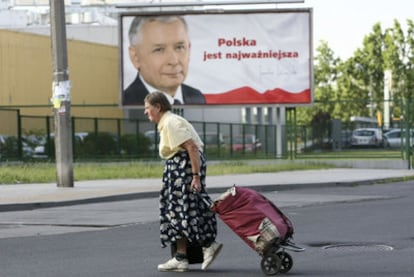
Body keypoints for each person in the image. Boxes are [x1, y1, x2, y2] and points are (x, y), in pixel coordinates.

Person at [144, 92, 222, 272]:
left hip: (183, 169)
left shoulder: (171, 122)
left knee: (179, 211)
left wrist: (195, 176)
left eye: (148, 108)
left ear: (158, 107)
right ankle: (183, 256)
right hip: (180, 168)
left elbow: (192, 147)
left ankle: (204, 246)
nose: (146, 112)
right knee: (187, 209)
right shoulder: (168, 122)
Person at [123, 16, 206, 106]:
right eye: (159, 50)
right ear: (135, 57)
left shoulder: (197, 97)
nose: (174, 61)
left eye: (179, 47)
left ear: (189, 49)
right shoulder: (127, 101)